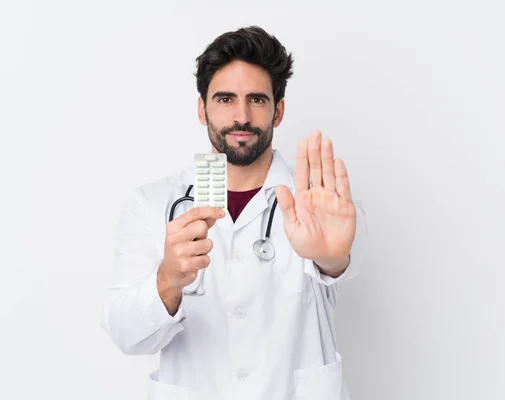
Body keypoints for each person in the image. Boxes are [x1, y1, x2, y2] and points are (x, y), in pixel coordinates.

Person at [101, 25, 368, 400]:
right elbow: (125, 335)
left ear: (278, 111)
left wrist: (332, 257)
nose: (241, 116)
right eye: (225, 99)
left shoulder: (317, 200)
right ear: (201, 109)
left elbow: (343, 258)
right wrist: (167, 281)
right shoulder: (152, 204)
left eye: (257, 100)